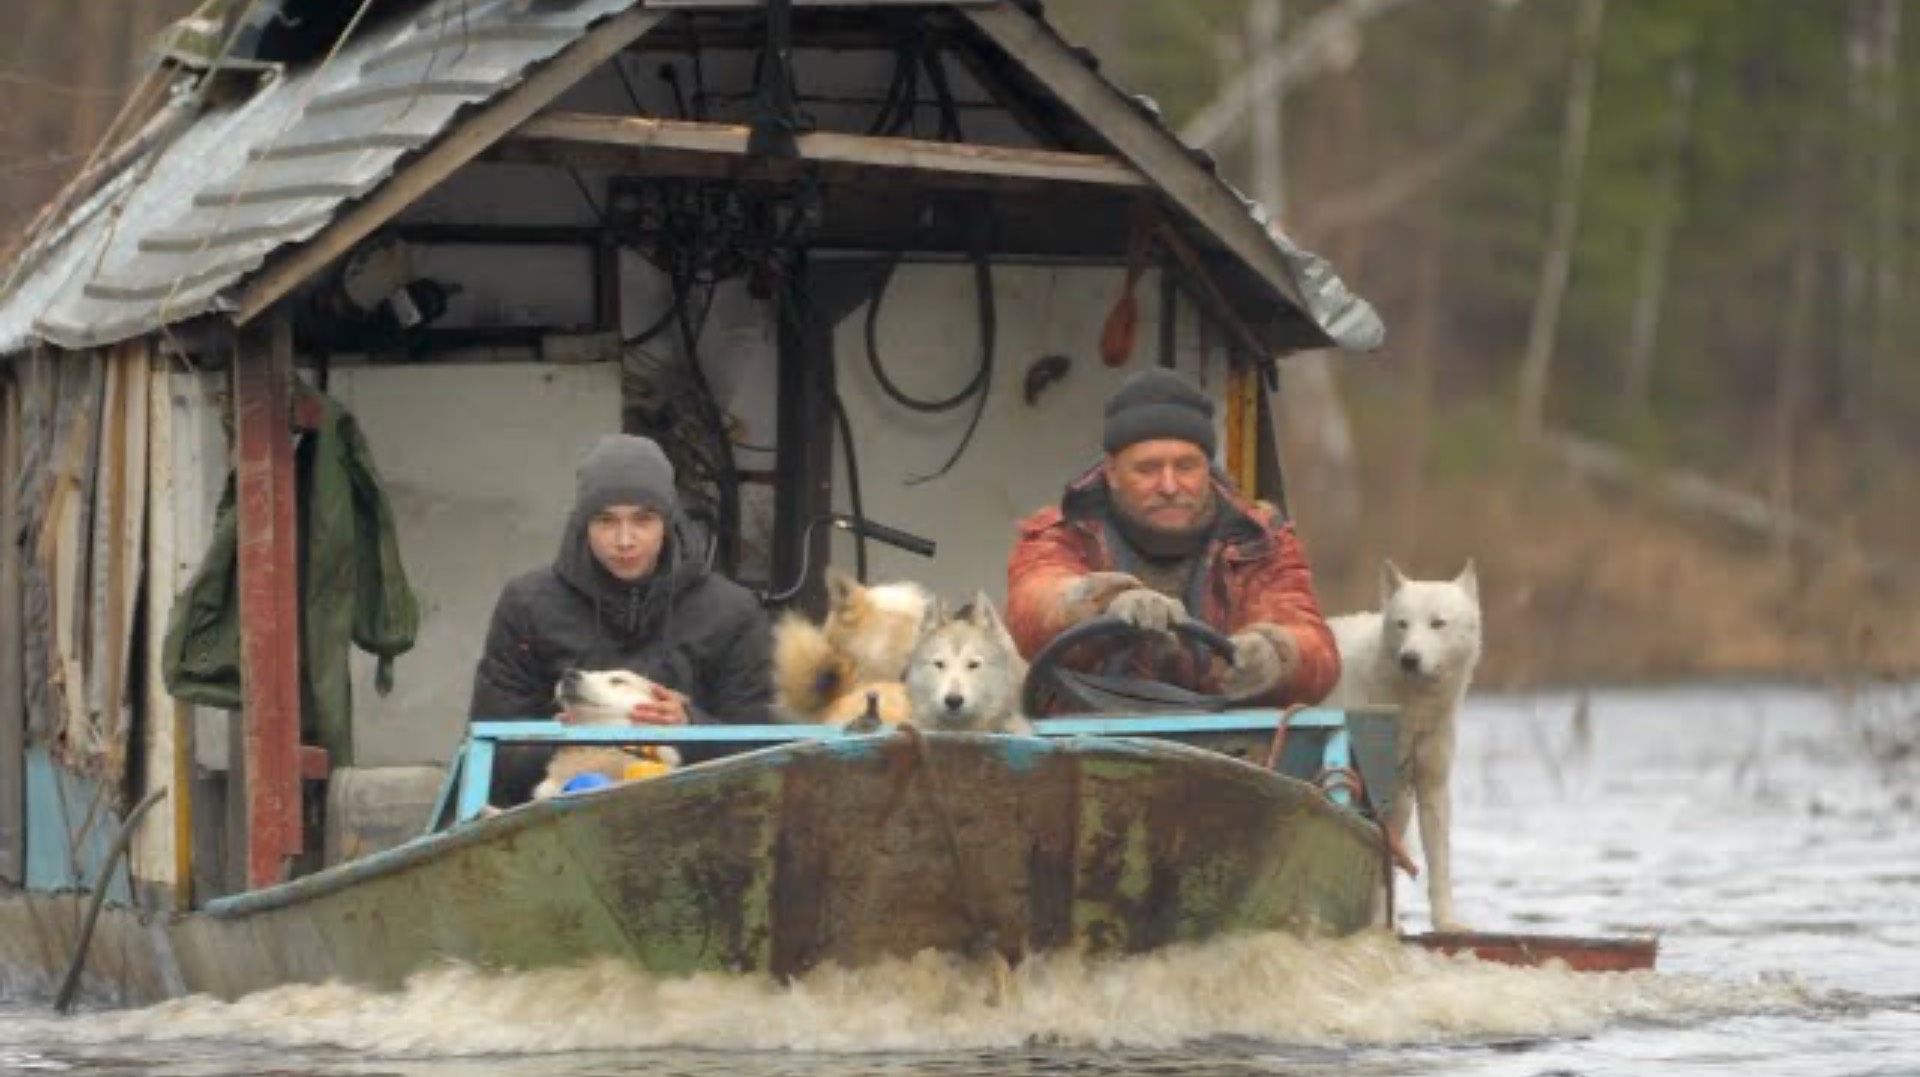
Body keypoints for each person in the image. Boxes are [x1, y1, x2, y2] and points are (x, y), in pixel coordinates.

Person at [1005, 368, 1338, 710]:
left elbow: (1315, 647)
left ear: (1207, 467)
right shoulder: (1062, 532)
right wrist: (1098, 602)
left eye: (1186, 466)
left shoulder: (1261, 541)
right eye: (1148, 469)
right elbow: (1033, 605)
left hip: (1227, 737)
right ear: (1113, 473)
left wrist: (1277, 654)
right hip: (1082, 733)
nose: (1169, 486)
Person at [470, 434, 772, 726]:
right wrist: (562, 737)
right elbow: (490, 741)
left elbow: (763, 744)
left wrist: (689, 726)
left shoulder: (732, 612)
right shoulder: (527, 604)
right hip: (564, 763)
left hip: (696, 766)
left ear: (669, 523)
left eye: (643, 519)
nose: (624, 540)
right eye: (606, 520)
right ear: (582, 525)